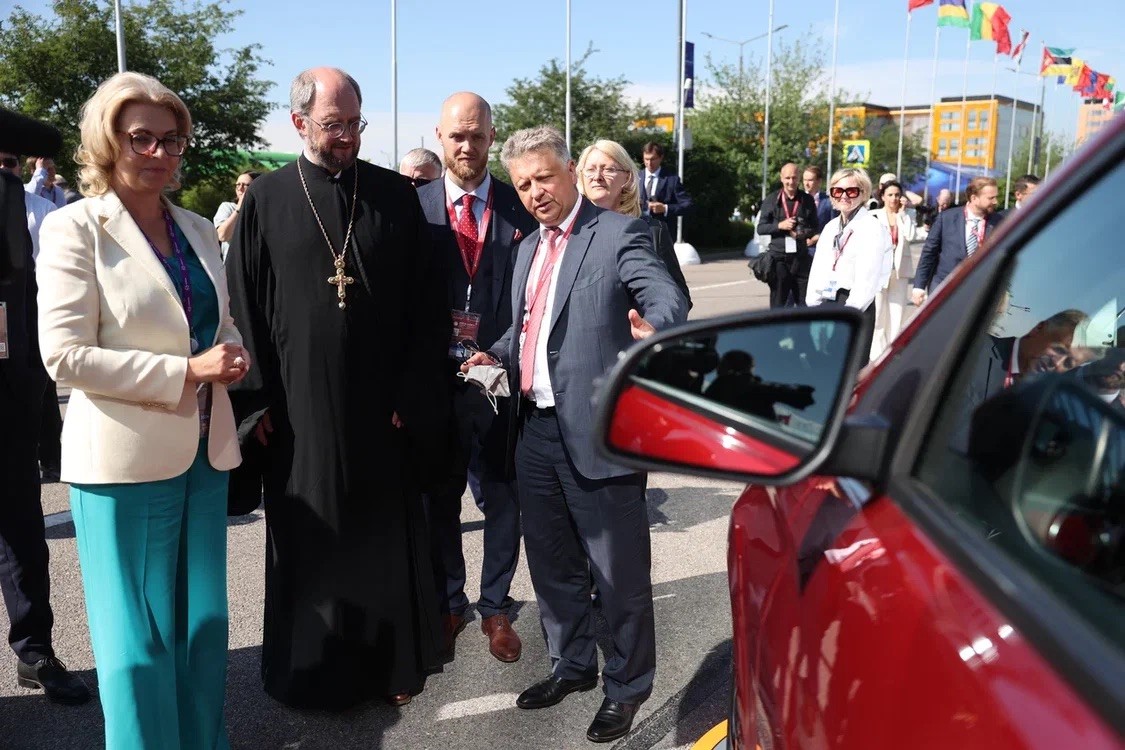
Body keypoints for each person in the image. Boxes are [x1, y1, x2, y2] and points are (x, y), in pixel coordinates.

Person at [225, 66, 451, 709]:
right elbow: (244, 304)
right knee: (312, 537)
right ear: (300, 122)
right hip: (298, 410)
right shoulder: (265, 200)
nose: (348, 136)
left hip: (383, 408)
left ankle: (390, 668)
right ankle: (308, 672)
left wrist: (413, 394)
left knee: (379, 536)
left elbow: (424, 305)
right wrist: (259, 402)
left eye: (355, 124)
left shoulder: (394, 195)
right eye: (334, 125)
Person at [36, 71, 250, 747]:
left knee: (201, 631)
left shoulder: (195, 227)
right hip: (121, 468)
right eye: (141, 139)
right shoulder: (76, 228)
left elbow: (219, 324)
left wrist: (232, 352)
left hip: (204, 456)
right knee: (135, 649)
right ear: (108, 141)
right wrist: (185, 372)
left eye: (172, 139)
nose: (159, 152)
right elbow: (65, 356)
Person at [462, 125, 688, 743]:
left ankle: (627, 685)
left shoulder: (619, 233)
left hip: (600, 433)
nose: (535, 192)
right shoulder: (528, 249)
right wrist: (491, 356)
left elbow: (664, 296)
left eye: (544, 177)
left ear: (569, 170)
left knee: (617, 574)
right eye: (523, 183)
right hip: (534, 431)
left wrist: (657, 327)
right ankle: (573, 663)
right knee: (554, 563)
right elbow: (528, 332)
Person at [416, 92, 536, 664]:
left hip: (500, 380)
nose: (468, 145)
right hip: (434, 383)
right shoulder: (410, 208)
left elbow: (535, 298)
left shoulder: (521, 210)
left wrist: (500, 355)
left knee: (501, 499)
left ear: (493, 137)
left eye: (478, 135)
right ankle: (447, 602)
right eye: (457, 135)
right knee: (439, 498)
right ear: (440, 137)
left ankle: (494, 607)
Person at [0, 113, 91, 712]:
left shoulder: (17, 198)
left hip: (10, 384)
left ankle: (36, 653)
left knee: (23, 530)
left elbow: (46, 140)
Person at [0, 151, 63, 481]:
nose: (2, 168)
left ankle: (50, 457)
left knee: (42, 387)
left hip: (34, 307)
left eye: (8, 162)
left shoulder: (42, 209)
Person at [576, 138, 691, 305]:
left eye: (608, 169)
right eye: (590, 169)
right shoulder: (567, 233)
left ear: (627, 178)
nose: (597, 177)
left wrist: (650, 322)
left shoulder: (653, 232)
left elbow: (680, 298)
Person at [805, 167, 892, 363]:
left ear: (863, 193)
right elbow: (818, 269)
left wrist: (847, 316)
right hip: (827, 303)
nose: (844, 196)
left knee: (849, 372)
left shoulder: (872, 228)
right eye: (838, 191)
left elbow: (866, 281)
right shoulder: (830, 227)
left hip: (853, 307)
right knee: (824, 368)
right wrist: (813, 306)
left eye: (851, 191)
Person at [912, 176, 1001, 306]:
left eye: (995, 197)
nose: (995, 202)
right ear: (974, 198)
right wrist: (919, 287)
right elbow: (929, 253)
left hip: (979, 292)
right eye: (990, 198)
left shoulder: (999, 223)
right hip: (944, 287)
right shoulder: (946, 218)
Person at [757, 162, 818, 308]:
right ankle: (777, 330)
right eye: (788, 178)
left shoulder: (807, 200)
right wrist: (780, 226)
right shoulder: (771, 200)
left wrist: (802, 233)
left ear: (799, 179)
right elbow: (761, 228)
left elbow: (815, 227)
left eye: (794, 178)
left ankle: (803, 330)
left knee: (805, 303)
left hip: (801, 258)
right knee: (778, 304)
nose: (791, 182)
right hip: (779, 259)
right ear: (781, 178)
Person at [869, 180, 918, 358]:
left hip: (899, 270)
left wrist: (903, 215)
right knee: (879, 314)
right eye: (890, 195)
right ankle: (876, 355)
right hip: (879, 271)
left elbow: (911, 235)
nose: (894, 198)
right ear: (882, 196)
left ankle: (892, 353)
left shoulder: (908, 214)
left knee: (897, 313)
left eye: (897, 195)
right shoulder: (874, 215)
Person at [638, 141, 692, 235]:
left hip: (663, 234)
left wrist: (665, 208)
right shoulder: (635, 177)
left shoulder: (672, 179)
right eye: (646, 159)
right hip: (639, 232)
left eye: (653, 159)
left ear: (661, 157)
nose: (649, 163)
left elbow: (688, 205)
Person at [213, 170, 260, 261]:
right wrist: (239, 208)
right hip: (234, 267)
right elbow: (222, 236)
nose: (240, 188)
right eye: (238, 184)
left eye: (245, 185)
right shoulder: (228, 207)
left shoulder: (262, 210)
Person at [802, 165, 834, 258]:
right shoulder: (798, 200)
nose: (806, 183)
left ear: (819, 182)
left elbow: (834, 226)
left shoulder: (829, 202)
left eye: (810, 180)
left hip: (821, 250)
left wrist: (818, 237)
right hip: (799, 250)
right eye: (804, 180)